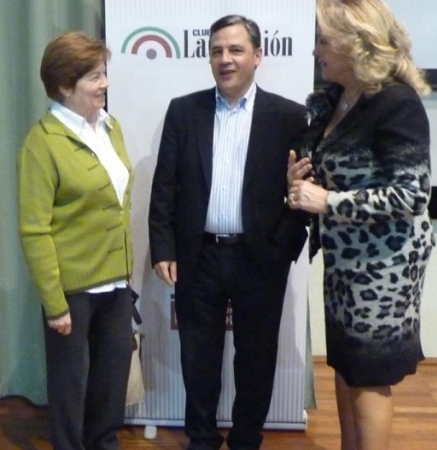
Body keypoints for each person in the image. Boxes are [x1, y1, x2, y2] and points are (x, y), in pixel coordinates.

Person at [149, 14, 309, 450]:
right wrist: (163, 247)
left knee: (256, 359)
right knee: (198, 358)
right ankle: (201, 439)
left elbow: (304, 190)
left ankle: (245, 439)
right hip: (198, 256)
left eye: (236, 50)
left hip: (260, 259)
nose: (225, 59)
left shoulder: (290, 117)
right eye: (217, 50)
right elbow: (164, 186)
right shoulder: (184, 111)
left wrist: (284, 249)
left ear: (258, 56)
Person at [287, 1, 434, 450]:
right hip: (344, 261)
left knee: (369, 374)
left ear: (355, 44)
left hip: (385, 266)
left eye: (323, 41)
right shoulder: (337, 99)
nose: (315, 51)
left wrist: (328, 201)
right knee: (346, 364)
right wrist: (301, 181)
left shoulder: (396, 104)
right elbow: (332, 172)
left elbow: (412, 195)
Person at [17, 31, 135, 450]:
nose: (105, 84)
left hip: (116, 282)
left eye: (104, 73)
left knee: (112, 375)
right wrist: (54, 302)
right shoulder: (42, 143)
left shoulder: (110, 127)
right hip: (72, 289)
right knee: (68, 383)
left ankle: (104, 442)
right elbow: (34, 230)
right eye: (94, 76)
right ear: (65, 85)